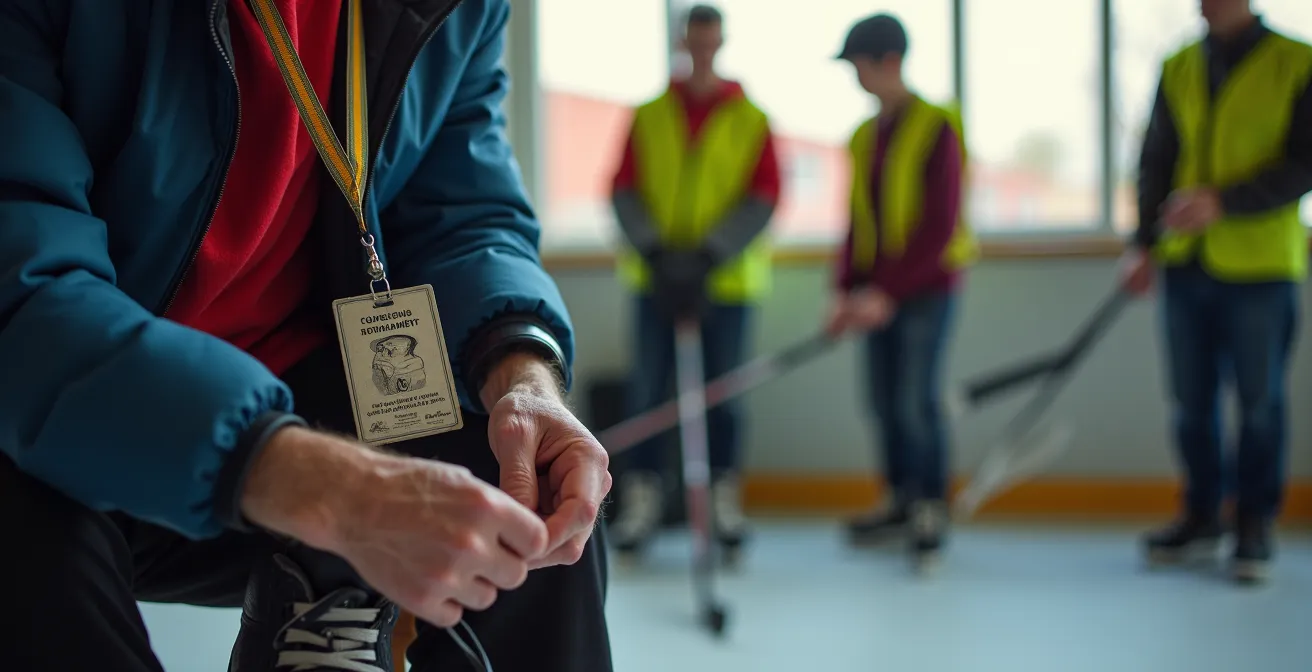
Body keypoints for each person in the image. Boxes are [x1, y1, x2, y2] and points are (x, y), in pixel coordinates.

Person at [0, 1, 615, 670]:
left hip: (304, 405)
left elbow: (465, 214)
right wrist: (334, 489)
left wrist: (522, 374)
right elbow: (22, 294)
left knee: (533, 493)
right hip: (80, 421)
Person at [1121, 0, 1312, 585]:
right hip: (1185, 264)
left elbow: (1305, 163)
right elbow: (1156, 161)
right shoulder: (1178, 64)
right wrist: (1143, 244)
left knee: (1259, 403)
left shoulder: (1297, 62)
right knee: (1190, 401)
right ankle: (1202, 515)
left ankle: (1253, 524)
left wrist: (1224, 202)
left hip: (1260, 265)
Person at [607, 4, 782, 562]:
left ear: (721, 42)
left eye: (711, 40)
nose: (702, 48)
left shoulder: (750, 118)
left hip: (723, 286)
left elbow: (764, 195)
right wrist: (656, 251)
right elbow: (623, 187)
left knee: (722, 397)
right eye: (694, 39)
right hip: (657, 280)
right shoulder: (650, 114)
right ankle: (641, 503)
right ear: (684, 42)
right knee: (648, 394)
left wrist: (710, 255)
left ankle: (724, 503)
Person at [826, 13, 977, 571]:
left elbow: (939, 225)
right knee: (884, 402)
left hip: (926, 292)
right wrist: (845, 292)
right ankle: (900, 501)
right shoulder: (865, 137)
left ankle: (930, 508)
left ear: (889, 62)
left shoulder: (938, 126)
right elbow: (858, 223)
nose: (857, 78)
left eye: (861, 66)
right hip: (876, 296)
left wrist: (886, 292)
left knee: (917, 401)